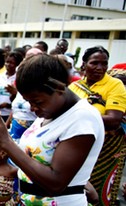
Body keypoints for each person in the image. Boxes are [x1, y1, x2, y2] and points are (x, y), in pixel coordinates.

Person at [0, 54, 104, 205]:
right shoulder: (51, 111)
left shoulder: (82, 118)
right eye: (28, 102)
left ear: (59, 88)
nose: (32, 109)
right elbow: (33, 156)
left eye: (37, 102)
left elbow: (56, 183)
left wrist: (6, 142)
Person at [68, 46, 126, 206]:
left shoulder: (115, 85)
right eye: (94, 63)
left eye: (104, 64)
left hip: (106, 150)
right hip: (77, 147)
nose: (100, 68)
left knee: (100, 193)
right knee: (77, 190)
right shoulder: (74, 87)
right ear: (84, 64)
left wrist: (77, 116)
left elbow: (114, 120)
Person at [0, 52, 23, 121]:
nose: (8, 65)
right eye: (7, 62)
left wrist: (7, 105)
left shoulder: (19, 79)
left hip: (10, 114)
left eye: (12, 63)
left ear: (17, 64)